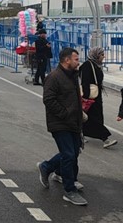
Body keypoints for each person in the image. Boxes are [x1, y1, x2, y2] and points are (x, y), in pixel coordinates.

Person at [37, 47, 87, 206]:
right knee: (68, 154)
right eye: (76, 59)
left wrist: (80, 115)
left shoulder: (73, 75)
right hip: (60, 123)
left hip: (73, 122)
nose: (78, 62)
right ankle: (69, 190)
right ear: (67, 60)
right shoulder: (54, 77)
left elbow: (75, 99)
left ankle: (49, 168)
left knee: (74, 151)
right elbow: (48, 100)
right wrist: (65, 113)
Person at [79, 47, 117, 148]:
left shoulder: (96, 65)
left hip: (96, 95)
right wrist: (86, 97)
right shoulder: (87, 65)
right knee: (95, 118)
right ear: (96, 55)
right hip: (91, 96)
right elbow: (85, 82)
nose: (103, 57)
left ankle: (81, 133)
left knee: (90, 117)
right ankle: (105, 138)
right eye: (101, 55)